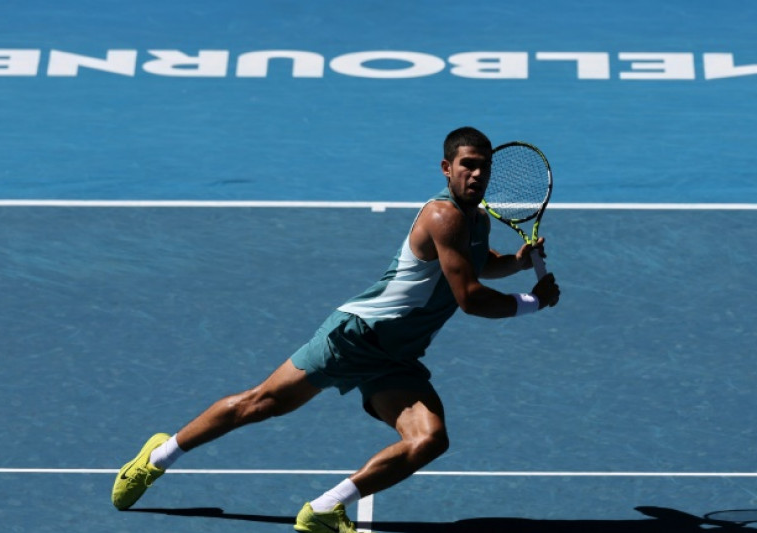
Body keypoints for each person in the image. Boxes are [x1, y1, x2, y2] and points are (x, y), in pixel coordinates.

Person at [111, 126, 561, 533]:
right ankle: (156, 458)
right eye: (469, 165)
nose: (478, 174)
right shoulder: (444, 217)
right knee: (259, 404)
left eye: (484, 167)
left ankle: (326, 509)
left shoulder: (477, 221)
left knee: (428, 440)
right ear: (447, 168)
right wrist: (533, 302)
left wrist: (518, 263)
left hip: (396, 357)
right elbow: (470, 297)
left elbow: (479, 265)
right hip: (356, 336)